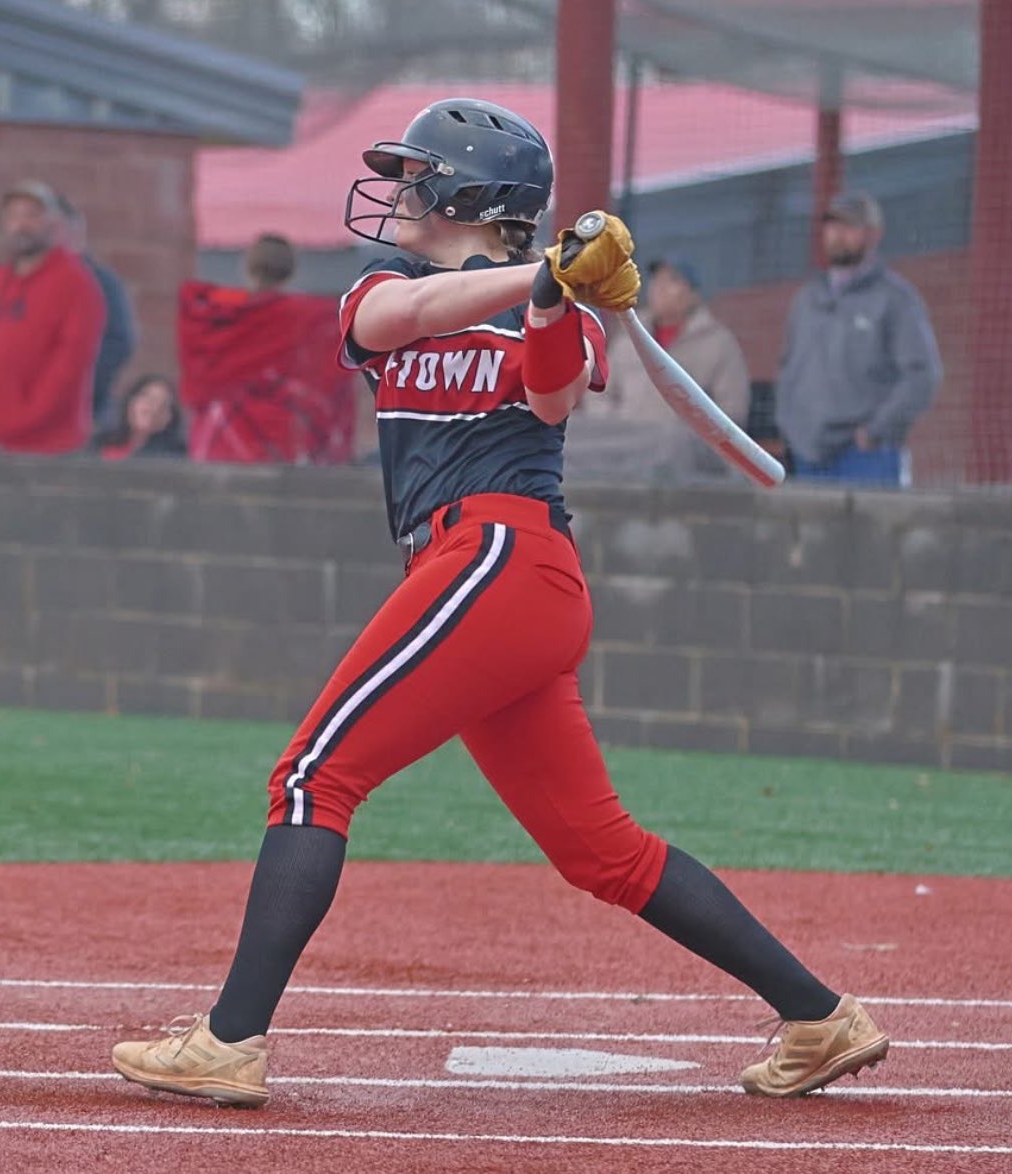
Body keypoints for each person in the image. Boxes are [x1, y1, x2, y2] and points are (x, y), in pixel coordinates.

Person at [112, 97, 889, 1107]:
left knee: (312, 776)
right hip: (481, 582)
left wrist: (557, 302)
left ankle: (229, 1039)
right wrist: (547, 273)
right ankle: (822, 1016)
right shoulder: (385, 287)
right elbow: (407, 318)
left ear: (467, 194)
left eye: (415, 175)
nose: (396, 190)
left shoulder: (550, 309)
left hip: (500, 559)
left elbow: (556, 394)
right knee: (603, 851)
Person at [775, 192, 942, 487]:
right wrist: (790, 427)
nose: (838, 235)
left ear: (873, 235)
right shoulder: (807, 299)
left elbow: (923, 376)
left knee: (866, 533)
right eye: (832, 226)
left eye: (849, 227)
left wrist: (875, 431)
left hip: (866, 456)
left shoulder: (895, 300)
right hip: (806, 455)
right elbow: (788, 368)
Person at [0, 180, 106, 455]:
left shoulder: (77, 284)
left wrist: (22, 418)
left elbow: (70, 365)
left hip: (46, 447)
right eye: (14, 216)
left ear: (53, 223)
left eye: (32, 215)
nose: (21, 224)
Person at [565, 256, 750, 484]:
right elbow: (600, 392)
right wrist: (614, 421)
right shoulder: (630, 336)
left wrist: (687, 431)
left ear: (693, 294)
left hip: (679, 445)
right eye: (656, 281)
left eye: (672, 281)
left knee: (670, 442)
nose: (659, 288)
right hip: (625, 436)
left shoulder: (719, 343)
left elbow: (732, 411)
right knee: (566, 429)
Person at [177, 233, 355, 465]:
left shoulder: (212, 315)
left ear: (247, 266)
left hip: (219, 439)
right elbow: (331, 382)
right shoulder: (312, 318)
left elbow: (198, 379)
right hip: (288, 442)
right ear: (291, 270)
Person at [55, 194, 138, 424]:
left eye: (59, 229)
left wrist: (72, 381)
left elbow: (120, 342)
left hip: (87, 410)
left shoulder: (102, 283)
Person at [90, 373, 185, 460]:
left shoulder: (175, 456)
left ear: (170, 417)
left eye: (163, 404)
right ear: (130, 402)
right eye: (148, 398)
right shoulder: (100, 443)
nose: (154, 408)